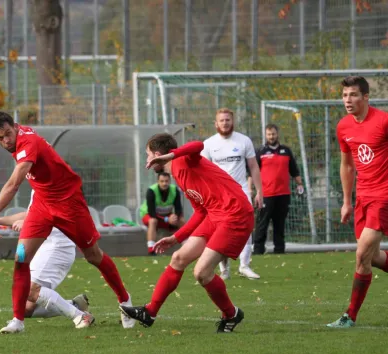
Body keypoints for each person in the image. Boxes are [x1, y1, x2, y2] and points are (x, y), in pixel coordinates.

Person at [0, 110, 135, 334]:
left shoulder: (28, 143)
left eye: (7, 135)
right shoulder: (16, 129)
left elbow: (13, 185)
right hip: (42, 204)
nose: (5, 141)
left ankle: (125, 302)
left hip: (69, 204)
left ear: (14, 128)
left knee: (94, 256)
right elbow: (5, 127)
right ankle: (17, 321)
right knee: (21, 259)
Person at [120, 134, 253, 333]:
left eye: (148, 155)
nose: (147, 160)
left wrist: (171, 155)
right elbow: (200, 211)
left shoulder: (183, 159)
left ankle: (231, 314)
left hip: (235, 214)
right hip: (215, 215)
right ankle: (150, 312)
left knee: (201, 273)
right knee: (178, 258)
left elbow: (197, 145)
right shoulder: (176, 174)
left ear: (158, 155)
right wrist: (176, 237)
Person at [327, 76, 388, 328]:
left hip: (383, 198)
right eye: (344, 96)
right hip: (362, 198)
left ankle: (349, 316)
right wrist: (346, 201)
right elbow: (347, 165)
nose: (347, 100)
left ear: (365, 97)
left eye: (353, 95)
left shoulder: (384, 121)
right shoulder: (343, 127)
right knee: (373, 257)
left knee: (361, 255)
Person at [0, 190, 93, 328]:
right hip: (46, 247)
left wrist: (28, 223)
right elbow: (30, 214)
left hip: (57, 247)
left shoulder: (53, 184)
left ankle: (80, 316)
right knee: (26, 308)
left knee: (29, 290)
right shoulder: (37, 184)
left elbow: (56, 216)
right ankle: (75, 305)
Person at [201, 108, 262, 280]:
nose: (225, 123)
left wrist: (259, 191)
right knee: (221, 229)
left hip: (241, 191)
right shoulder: (208, 144)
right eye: (222, 120)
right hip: (219, 195)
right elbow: (203, 173)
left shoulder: (244, 141)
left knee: (247, 226)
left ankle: (244, 265)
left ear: (232, 121)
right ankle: (224, 269)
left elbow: (254, 167)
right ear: (216, 123)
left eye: (228, 120)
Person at [252, 124, 304, 255]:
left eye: (273, 134)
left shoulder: (286, 151)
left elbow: (294, 170)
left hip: (283, 194)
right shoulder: (261, 152)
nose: (271, 137)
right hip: (266, 194)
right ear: (266, 135)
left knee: (279, 224)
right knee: (262, 223)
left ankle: (279, 250)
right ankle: (258, 250)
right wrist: (251, 190)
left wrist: (300, 184)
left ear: (277, 134)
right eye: (269, 134)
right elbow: (253, 172)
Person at [139, 172, 185, 255]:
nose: (164, 183)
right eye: (162, 181)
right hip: (149, 216)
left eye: (166, 181)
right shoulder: (151, 191)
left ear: (170, 181)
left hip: (166, 217)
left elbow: (178, 209)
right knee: (153, 221)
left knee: (181, 220)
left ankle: (186, 245)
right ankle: (151, 249)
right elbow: (152, 213)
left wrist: (175, 217)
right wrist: (167, 219)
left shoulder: (175, 190)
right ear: (158, 182)